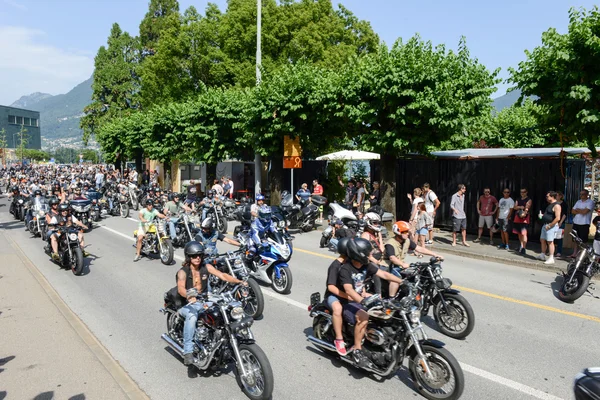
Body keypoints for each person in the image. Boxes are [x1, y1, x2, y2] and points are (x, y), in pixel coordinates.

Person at [176, 241, 247, 365]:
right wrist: (189, 295)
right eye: (194, 256)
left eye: (199, 255)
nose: (197, 258)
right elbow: (181, 288)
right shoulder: (183, 271)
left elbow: (222, 275)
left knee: (227, 308)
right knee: (192, 317)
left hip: (205, 299)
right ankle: (188, 351)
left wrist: (238, 281)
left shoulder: (206, 267)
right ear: (188, 257)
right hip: (187, 304)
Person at [337, 238, 404, 367]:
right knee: (363, 317)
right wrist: (363, 301)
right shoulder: (346, 269)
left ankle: (375, 341)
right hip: (346, 301)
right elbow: (349, 290)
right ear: (359, 254)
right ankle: (357, 349)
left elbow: (384, 275)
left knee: (387, 312)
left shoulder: (365, 265)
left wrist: (403, 282)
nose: (371, 256)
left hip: (362, 298)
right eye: (369, 254)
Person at [382, 221, 442, 297]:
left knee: (415, 276)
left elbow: (419, 249)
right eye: (405, 232)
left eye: (408, 231)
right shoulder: (390, 243)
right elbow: (392, 258)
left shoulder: (406, 241)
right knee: (395, 280)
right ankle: (391, 300)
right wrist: (402, 264)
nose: (407, 233)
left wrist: (435, 254)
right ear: (398, 232)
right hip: (386, 267)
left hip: (397, 266)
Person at [324, 237, 351, 356]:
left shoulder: (350, 263)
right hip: (334, 296)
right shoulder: (335, 266)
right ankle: (339, 339)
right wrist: (346, 296)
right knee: (338, 309)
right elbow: (331, 287)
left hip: (348, 294)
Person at [536, 191, 561, 265]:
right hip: (545, 224)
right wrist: (543, 216)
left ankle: (551, 257)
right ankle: (542, 254)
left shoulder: (556, 205)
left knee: (550, 242)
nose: (546, 198)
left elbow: (557, 218)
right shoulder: (550, 205)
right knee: (542, 239)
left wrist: (550, 225)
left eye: (548, 196)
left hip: (551, 226)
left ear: (552, 197)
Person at [570, 189, 595, 258]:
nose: (581, 196)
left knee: (583, 240)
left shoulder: (590, 202)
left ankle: (583, 254)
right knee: (575, 239)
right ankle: (574, 253)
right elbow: (572, 211)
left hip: (584, 223)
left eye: (582, 194)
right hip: (576, 222)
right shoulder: (578, 201)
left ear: (587, 195)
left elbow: (585, 212)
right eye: (580, 194)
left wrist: (578, 210)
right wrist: (581, 210)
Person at [512, 188, 533, 255]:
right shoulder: (518, 199)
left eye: (524, 192)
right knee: (519, 232)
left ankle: (524, 247)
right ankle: (521, 245)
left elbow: (527, 207)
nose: (522, 193)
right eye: (521, 192)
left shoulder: (528, 200)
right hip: (517, 217)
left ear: (526, 192)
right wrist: (520, 207)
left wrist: (524, 212)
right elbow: (514, 207)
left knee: (524, 233)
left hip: (524, 218)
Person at [554, 192, 568, 257]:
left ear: (560, 196)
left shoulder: (564, 204)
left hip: (560, 222)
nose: (555, 197)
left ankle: (559, 251)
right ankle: (552, 250)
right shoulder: (554, 203)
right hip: (553, 221)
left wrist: (561, 222)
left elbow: (565, 214)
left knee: (559, 237)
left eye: (556, 195)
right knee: (552, 237)